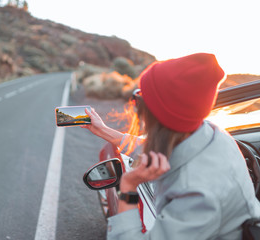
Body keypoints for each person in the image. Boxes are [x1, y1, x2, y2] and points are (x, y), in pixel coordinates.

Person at [82, 53, 260, 239]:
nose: (136, 103)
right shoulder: (209, 132)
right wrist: (102, 130)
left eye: (141, 98)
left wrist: (128, 188)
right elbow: (158, 145)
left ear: (160, 115)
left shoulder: (196, 194)